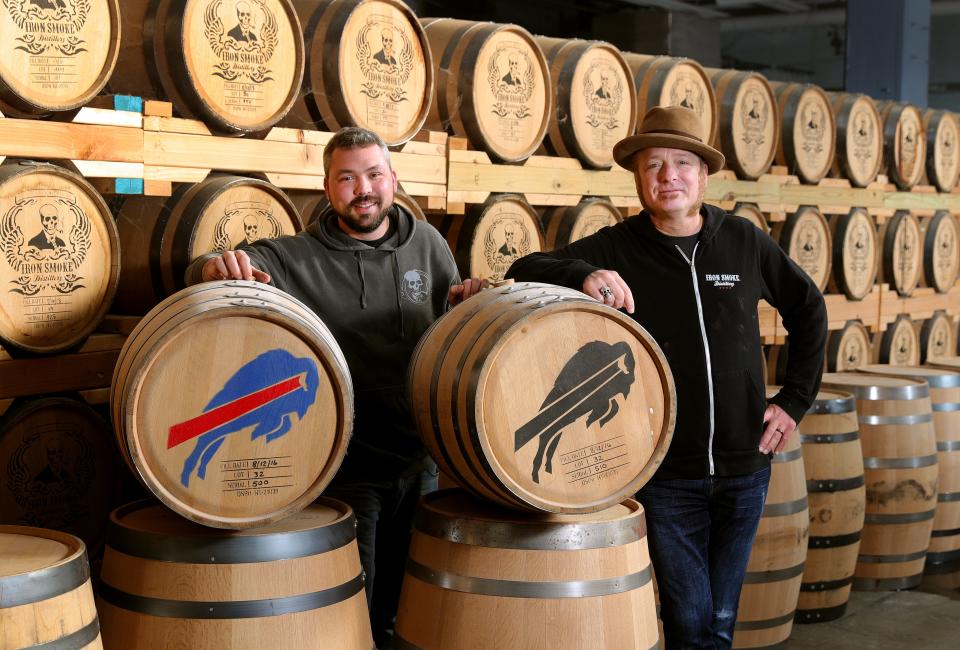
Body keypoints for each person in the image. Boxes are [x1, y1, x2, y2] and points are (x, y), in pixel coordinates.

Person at [506, 105, 827, 649]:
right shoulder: (617, 246)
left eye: (682, 163)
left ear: (703, 176)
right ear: (638, 177)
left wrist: (794, 400)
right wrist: (583, 272)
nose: (668, 176)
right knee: (688, 617)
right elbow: (524, 269)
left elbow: (808, 308)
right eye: (654, 165)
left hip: (745, 462)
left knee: (721, 616)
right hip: (664, 468)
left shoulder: (743, 242)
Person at [187, 126, 485, 649]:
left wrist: (471, 301)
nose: (362, 188)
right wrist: (212, 266)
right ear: (328, 189)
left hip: (421, 458)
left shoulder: (430, 244)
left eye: (373, 174)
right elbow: (204, 270)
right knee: (353, 609)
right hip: (345, 463)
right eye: (347, 178)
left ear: (393, 180)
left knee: (410, 602)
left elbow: (448, 327)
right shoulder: (293, 257)